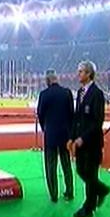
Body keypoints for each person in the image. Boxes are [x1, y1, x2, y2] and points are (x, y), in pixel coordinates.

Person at [67, 60, 110, 217]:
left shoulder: (97, 94)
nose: (78, 74)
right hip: (80, 141)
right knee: (81, 170)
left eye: (81, 71)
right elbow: (76, 117)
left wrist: (83, 138)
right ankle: (102, 190)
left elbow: (97, 121)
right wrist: (72, 137)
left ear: (89, 73)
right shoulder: (80, 92)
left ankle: (88, 208)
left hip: (91, 143)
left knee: (90, 174)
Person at [37, 69, 74, 203]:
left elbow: (40, 114)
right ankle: (69, 191)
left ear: (47, 81)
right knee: (66, 164)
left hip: (51, 134)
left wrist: (45, 128)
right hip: (65, 134)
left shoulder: (44, 94)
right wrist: (70, 133)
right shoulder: (67, 93)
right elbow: (71, 114)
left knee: (51, 166)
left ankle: (54, 194)